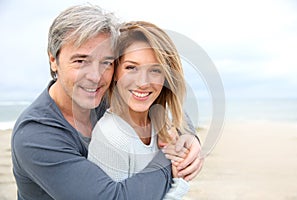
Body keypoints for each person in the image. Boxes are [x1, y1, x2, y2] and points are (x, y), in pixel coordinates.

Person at [11, 4, 203, 200]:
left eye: (106, 62)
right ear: (53, 59)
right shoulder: (35, 135)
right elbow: (111, 197)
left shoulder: (105, 93)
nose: (95, 76)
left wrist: (188, 136)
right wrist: (170, 159)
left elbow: (162, 103)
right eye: (80, 61)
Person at [88, 21, 193, 199]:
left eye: (155, 70)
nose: (143, 82)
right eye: (131, 68)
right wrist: (180, 183)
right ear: (116, 72)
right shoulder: (113, 137)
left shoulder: (162, 121)